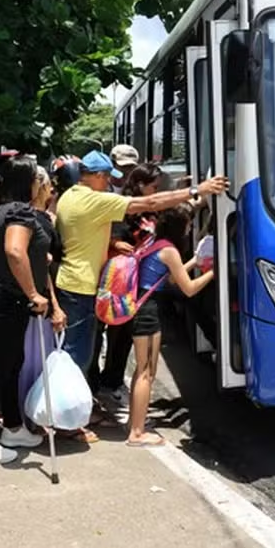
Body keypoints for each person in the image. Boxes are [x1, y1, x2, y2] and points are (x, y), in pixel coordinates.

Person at [54, 150, 228, 441]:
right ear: (97, 176)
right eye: (107, 178)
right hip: (81, 286)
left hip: (74, 283)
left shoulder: (69, 196)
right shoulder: (94, 200)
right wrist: (198, 189)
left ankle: (79, 411)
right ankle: (67, 423)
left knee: (81, 354)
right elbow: (149, 203)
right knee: (78, 356)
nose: (110, 184)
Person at [0, 157, 66, 464]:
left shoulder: (2, 209)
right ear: (27, 182)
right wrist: (34, 293)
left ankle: (12, 427)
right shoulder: (19, 211)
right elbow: (14, 251)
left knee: (11, 364)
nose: (41, 183)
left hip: (4, 296)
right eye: (37, 179)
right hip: (8, 298)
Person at [127, 204, 213, 447]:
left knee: (141, 370)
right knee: (146, 372)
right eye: (188, 225)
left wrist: (195, 261)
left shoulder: (155, 244)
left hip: (140, 306)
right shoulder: (170, 250)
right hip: (149, 311)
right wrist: (214, 272)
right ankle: (136, 433)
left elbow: (172, 278)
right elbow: (189, 288)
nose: (189, 229)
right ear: (180, 226)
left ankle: (135, 422)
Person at [94, 163, 164, 408]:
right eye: (154, 187)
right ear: (141, 185)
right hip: (117, 281)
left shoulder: (151, 211)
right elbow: (106, 237)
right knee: (111, 332)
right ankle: (102, 384)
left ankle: (112, 380)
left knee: (124, 334)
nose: (157, 191)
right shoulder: (123, 208)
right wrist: (115, 244)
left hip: (137, 281)